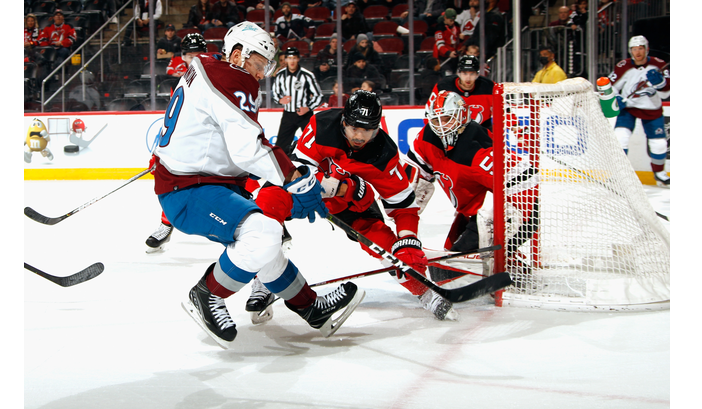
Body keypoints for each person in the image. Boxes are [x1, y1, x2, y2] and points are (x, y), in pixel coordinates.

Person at [151, 21, 364, 347]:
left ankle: (310, 307)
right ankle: (207, 293)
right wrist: (294, 178)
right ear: (238, 54)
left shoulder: (205, 66)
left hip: (203, 179)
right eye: (259, 63)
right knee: (262, 233)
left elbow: (212, 135)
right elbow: (248, 146)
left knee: (266, 239)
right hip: (189, 188)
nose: (262, 73)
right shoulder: (232, 78)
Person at [291, 90, 458, 321]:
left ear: (377, 127)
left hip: (351, 205)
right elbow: (295, 170)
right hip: (304, 192)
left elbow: (403, 206)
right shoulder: (322, 125)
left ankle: (425, 292)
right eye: (354, 129)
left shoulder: (384, 153)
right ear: (343, 121)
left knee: (387, 246)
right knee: (270, 202)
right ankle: (265, 280)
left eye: (367, 130)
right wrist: (319, 185)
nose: (360, 136)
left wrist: (408, 240)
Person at [406, 90, 535, 274]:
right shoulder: (426, 138)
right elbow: (417, 182)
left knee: (447, 272)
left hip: (502, 217)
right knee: (447, 264)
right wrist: (404, 225)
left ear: (462, 116)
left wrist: (499, 233)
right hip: (470, 214)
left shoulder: (479, 151)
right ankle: (508, 261)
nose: (441, 127)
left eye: (448, 118)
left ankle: (511, 265)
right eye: (436, 120)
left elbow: (528, 185)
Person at [146, 33, 211, 252]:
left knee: (234, 183)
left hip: (212, 143)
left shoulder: (215, 76)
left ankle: (258, 224)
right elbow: (172, 119)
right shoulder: (180, 83)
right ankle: (166, 224)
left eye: (197, 55)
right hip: (188, 142)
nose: (193, 59)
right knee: (168, 177)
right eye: (189, 55)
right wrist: (158, 152)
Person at [608, 35, 670, 187]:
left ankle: (659, 173)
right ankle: (619, 174)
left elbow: (665, 94)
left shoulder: (659, 65)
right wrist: (616, 98)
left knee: (659, 144)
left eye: (641, 48)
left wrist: (660, 83)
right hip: (628, 108)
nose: (638, 52)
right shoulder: (623, 66)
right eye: (634, 49)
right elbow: (610, 87)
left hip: (651, 108)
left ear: (646, 49)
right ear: (630, 51)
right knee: (620, 137)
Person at [271, 46, 324, 156]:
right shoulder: (280, 75)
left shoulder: (307, 75)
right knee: (281, 145)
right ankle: (282, 169)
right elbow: (275, 93)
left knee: (314, 142)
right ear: (285, 59)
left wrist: (308, 108)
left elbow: (318, 95)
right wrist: (280, 100)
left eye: (294, 58)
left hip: (305, 115)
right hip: (288, 114)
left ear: (298, 59)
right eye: (289, 58)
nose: (292, 61)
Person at [431, 54, 495, 130]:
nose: (468, 78)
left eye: (472, 73)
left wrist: (513, 124)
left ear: (477, 74)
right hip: (453, 133)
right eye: (465, 73)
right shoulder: (443, 86)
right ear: (459, 73)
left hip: (482, 133)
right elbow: (430, 112)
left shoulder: (489, 87)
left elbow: (505, 109)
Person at [433, 8, 462, 76]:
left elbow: (457, 40)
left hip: (455, 56)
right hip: (445, 57)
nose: (453, 22)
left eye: (454, 20)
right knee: (448, 76)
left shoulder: (456, 26)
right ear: (445, 18)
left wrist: (461, 41)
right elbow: (440, 45)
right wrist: (449, 53)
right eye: (451, 20)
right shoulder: (439, 28)